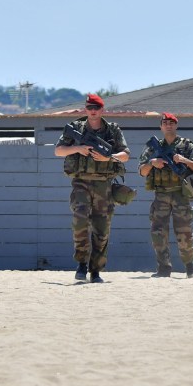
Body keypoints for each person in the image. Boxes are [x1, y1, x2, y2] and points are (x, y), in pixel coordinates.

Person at [54, 93, 130, 283]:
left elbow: (126, 154)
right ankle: (81, 263)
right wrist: (78, 149)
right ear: (85, 110)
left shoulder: (112, 130)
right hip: (81, 182)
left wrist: (108, 158)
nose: (93, 111)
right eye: (90, 108)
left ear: (102, 109)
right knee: (80, 221)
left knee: (102, 229)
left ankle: (95, 270)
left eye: (96, 108)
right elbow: (58, 150)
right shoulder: (76, 128)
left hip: (104, 185)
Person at [138, 112, 193, 279]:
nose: (168, 125)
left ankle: (190, 266)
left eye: (171, 122)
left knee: (184, 232)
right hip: (160, 194)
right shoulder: (153, 147)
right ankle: (163, 268)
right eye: (165, 122)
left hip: (180, 194)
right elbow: (142, 171)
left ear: (176, 125)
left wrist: (184, 160)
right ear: (161, 126)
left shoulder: (186, 146)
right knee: (158, 232)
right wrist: (152, 163)